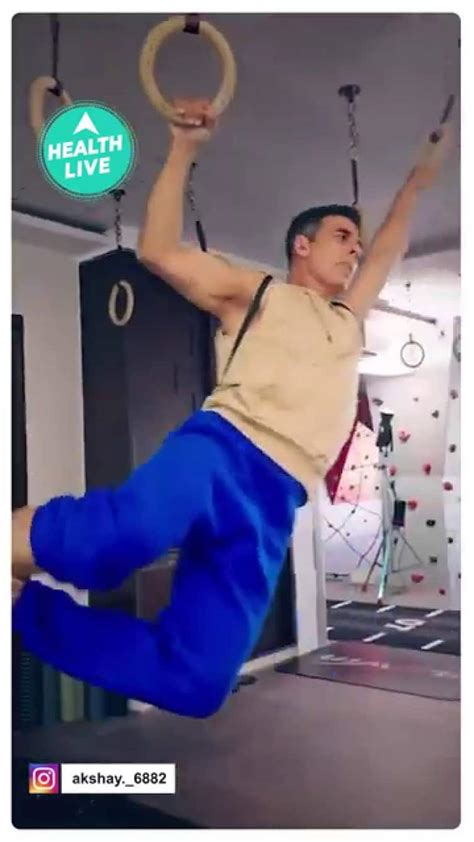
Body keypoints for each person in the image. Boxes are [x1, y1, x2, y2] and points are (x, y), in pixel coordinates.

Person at [12, 99, 452, 718]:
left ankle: (18, 608)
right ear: (301, 245)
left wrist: (420, 179)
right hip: (222, 451)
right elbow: (157, 250)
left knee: (197, 682)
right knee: (115, 544)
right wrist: (184, 147)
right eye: (341, 236)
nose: (356, 250)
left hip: (276, 501)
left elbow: (390, 244)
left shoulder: (350, 320)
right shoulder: (259, 291)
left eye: (357, 242)